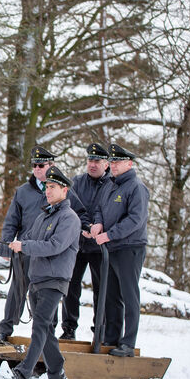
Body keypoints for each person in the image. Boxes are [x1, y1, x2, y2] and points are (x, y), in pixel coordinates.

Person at [0, 166, 81, 379]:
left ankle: (23, 372)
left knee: (39, 326)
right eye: (47, 187)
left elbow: (54, 246)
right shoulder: (42, 217)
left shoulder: (69, 218)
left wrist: (25, 245)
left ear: (64, 190)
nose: (48, 191)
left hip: (55, 280)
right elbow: (21, 246)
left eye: (53, 187)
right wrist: (0, 248)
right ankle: (57, 375)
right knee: (46, 331)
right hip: (37, 280)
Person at [0, 146, 89, 345]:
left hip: (50, 255)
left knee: (46, 297)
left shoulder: (62, 190)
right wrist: (5, 248)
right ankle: (5, 331)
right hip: (24, 250)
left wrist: (85, 230)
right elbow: (11, 222)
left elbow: (80, 214)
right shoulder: (23, 192)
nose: (37, 169)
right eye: (34, 165)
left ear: (51, 165)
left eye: (41, 165)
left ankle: (47, 336)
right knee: (17, 292)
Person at [90, 144, 149, 357]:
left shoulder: (136, 187)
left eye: (117, 162)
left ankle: (128, 343)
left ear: (129, 164)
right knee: (112, 296)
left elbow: (135, 219)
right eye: (112, 162)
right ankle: (112, 338)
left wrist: (109, 234)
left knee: (129, 295)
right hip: (111, 248)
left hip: (129, 248)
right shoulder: (110, 185)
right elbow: (99, 209)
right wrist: (97, 224)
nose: (113, 165)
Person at [59, 143, 112, 340]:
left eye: (97, 161)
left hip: (100, 246)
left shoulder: (112, 184)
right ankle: (69, 328)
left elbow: (111, 212)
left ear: (106, 164)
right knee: (70, 288)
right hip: (77, 244)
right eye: (90, 160)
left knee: (101, 290)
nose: (93, 164)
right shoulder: (77, 183)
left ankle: (100, 330)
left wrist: (97, 229)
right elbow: (69, 208)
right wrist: (82, 228)